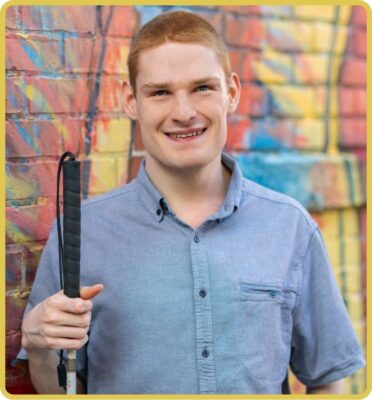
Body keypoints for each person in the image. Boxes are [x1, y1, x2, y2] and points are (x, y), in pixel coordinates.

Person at [18, 10, 365, 394]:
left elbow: (330, 380)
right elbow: (60, 390)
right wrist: (37, 347)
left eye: (202, 88)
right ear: (130, 101)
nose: (183, 113)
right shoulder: (81, 234)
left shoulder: (290, 227)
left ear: (231, 93)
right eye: (160, 92)